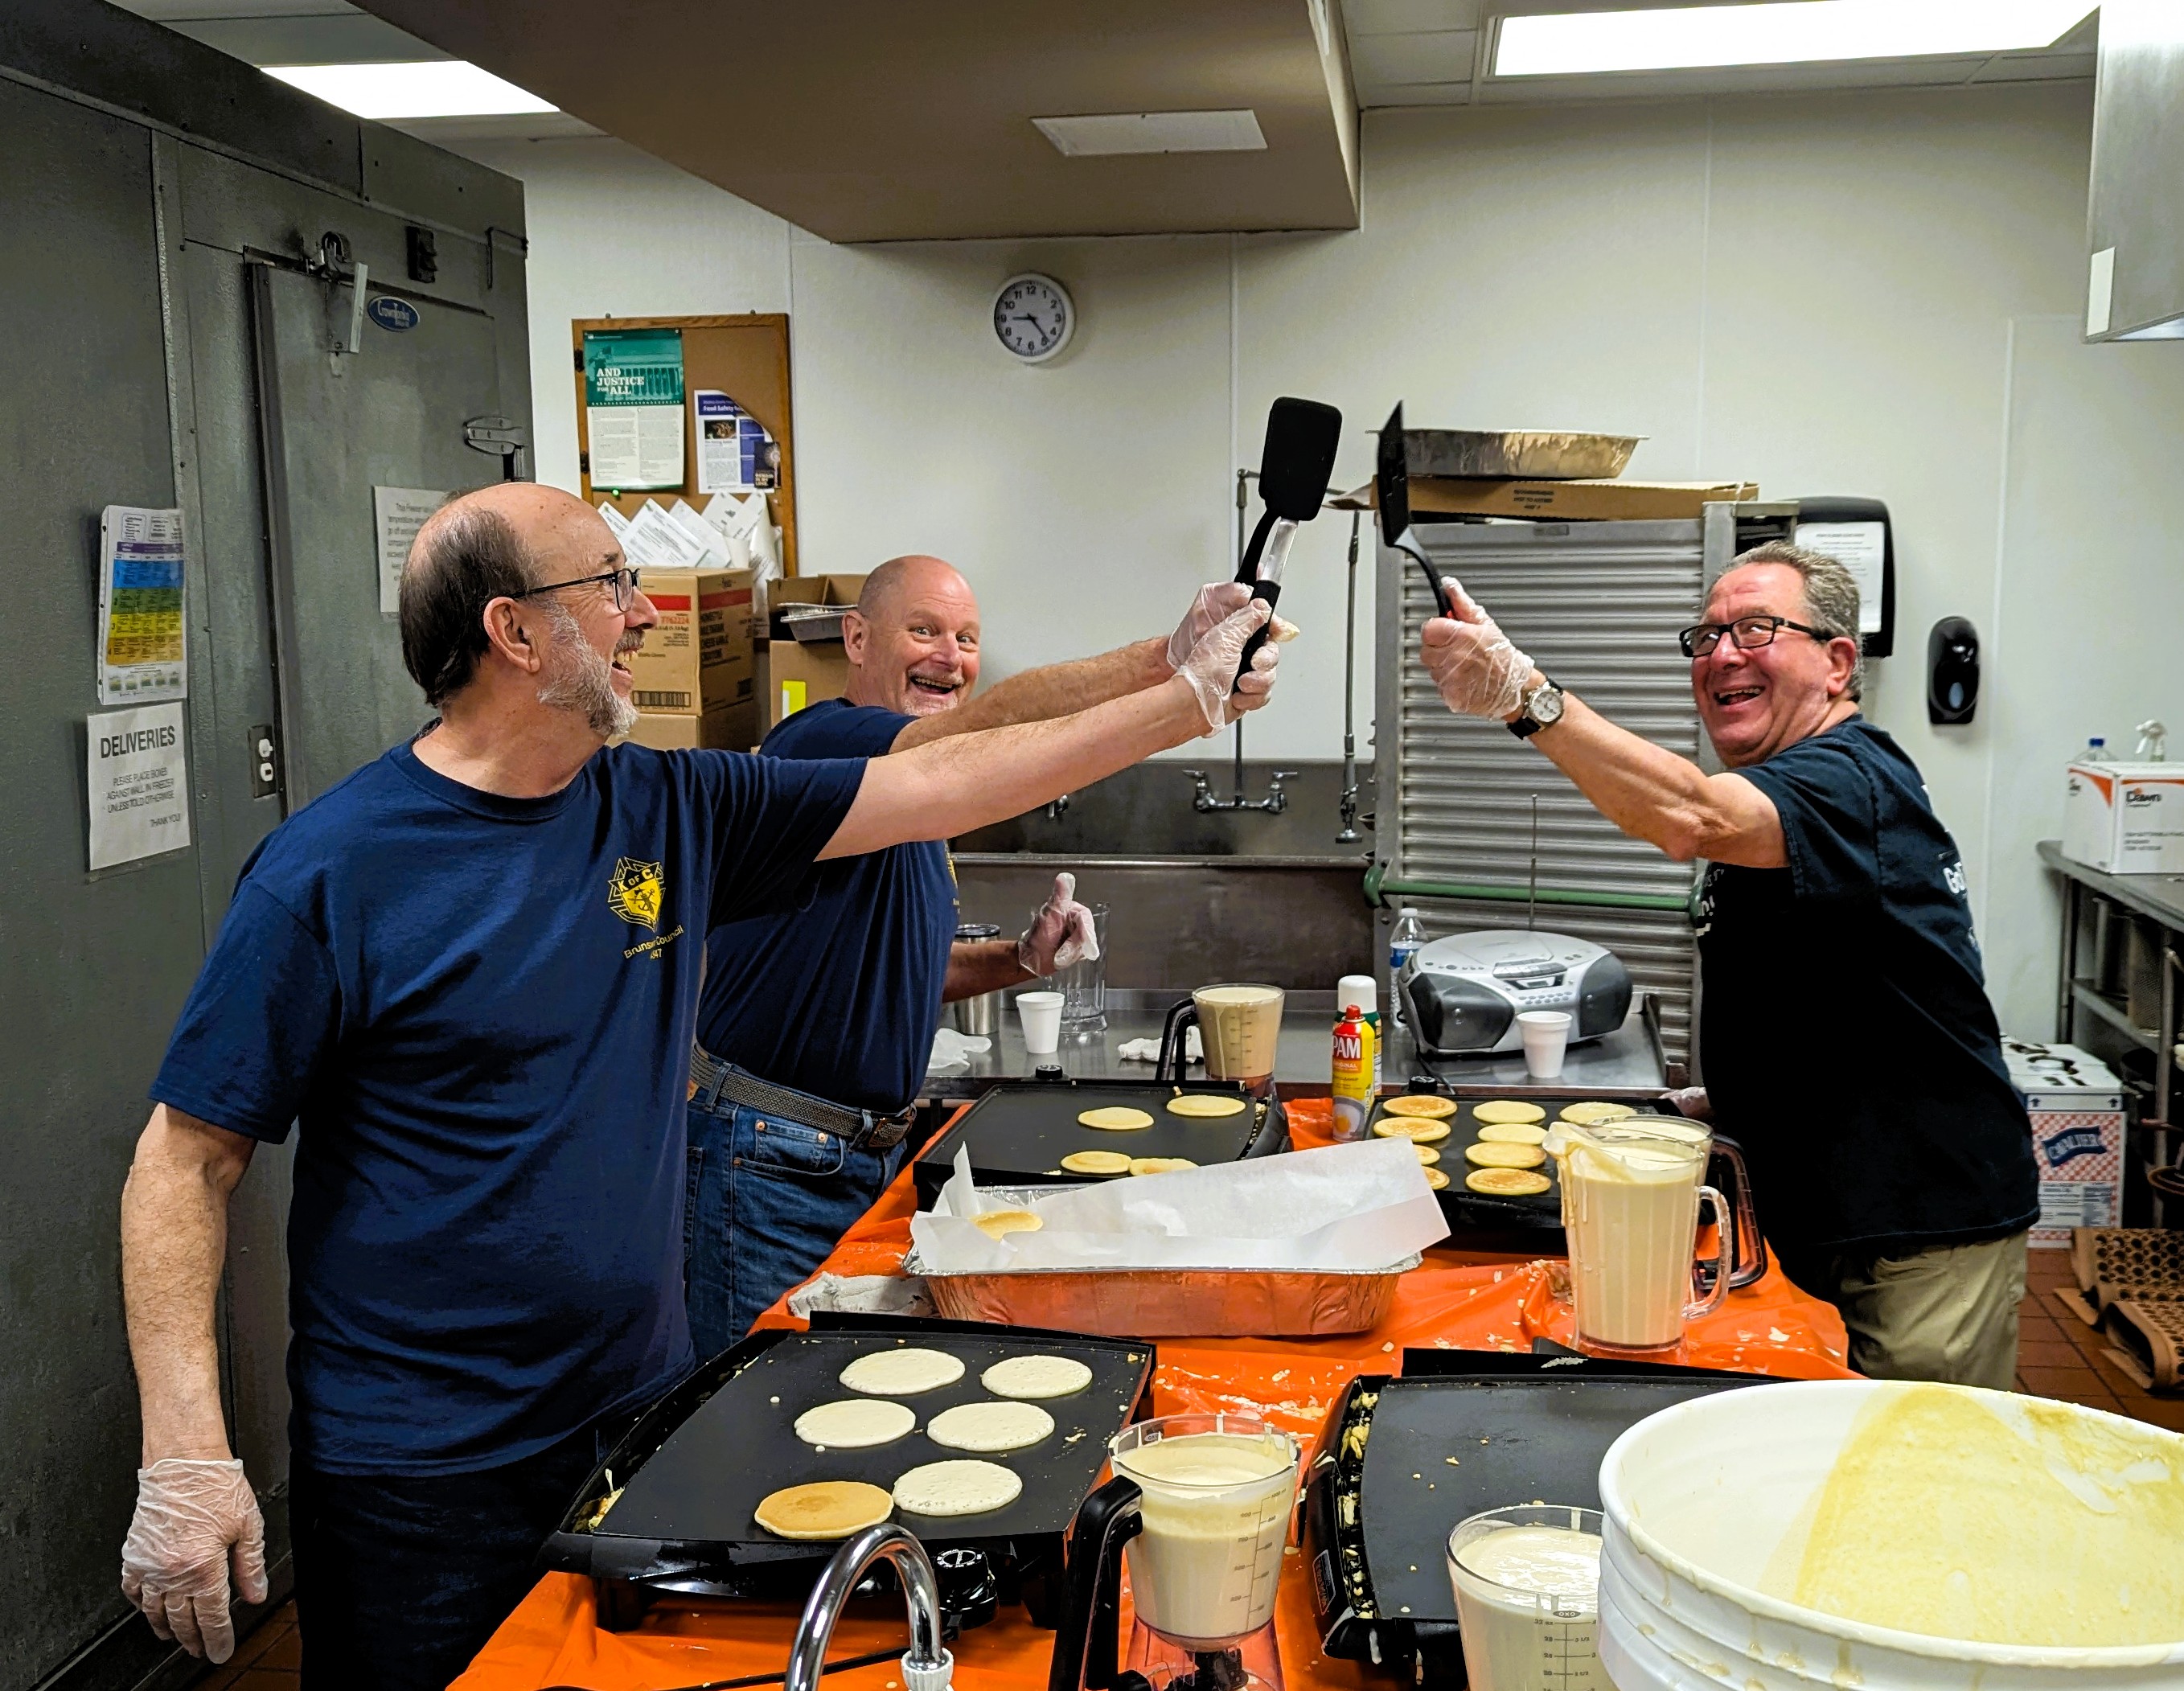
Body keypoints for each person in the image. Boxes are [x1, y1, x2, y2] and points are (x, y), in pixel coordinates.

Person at [116, 485, 1279, 1689]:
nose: (646, 612)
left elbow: (957, 777)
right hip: (424, 1466)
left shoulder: (668, 808)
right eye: (612, 585)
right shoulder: (334, 869)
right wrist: (188, 1448)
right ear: (514, 631)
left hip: (635, 1421)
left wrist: (1178, 695)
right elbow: (186, 1156)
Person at [1416, 540, 2037, 1388]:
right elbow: (1838, 988)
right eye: (1705, 638)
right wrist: (1729, 1098)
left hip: (1917, 1229)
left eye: (1755, 629)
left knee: (1918, 1470)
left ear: (1837, 662)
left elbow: (1686, 815)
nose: (1721, 656)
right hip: (1827, 1209)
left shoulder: (1845, 779)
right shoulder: (1786, 792)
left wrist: (1528, 698)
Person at [685, 556, 1282, 1348]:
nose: (949, 657)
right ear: (856, 639)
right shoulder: (823, 743)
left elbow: (896, 978)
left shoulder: (915, 801)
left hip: (855, 1159)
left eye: (966, 638)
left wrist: (1020, 960)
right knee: (754, 1408)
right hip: (767, 1163)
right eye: (923, 630)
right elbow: (994, 723)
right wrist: (1170, 666)